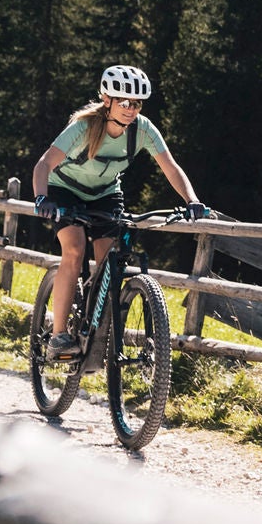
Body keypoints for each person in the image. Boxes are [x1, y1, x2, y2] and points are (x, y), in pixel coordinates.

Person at [31, 64, 208, 359]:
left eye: (136, 103)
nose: (130, 109)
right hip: (65, 192)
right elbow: (43, 164)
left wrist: (192, 200)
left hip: (105, 195)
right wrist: (42, 199)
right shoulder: (84, 127)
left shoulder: (143, 130)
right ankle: (59, 335)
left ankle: (97, 327)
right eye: (124, 102)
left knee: (110, 262)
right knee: (74, 250)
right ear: (107, 99)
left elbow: (170, 168)